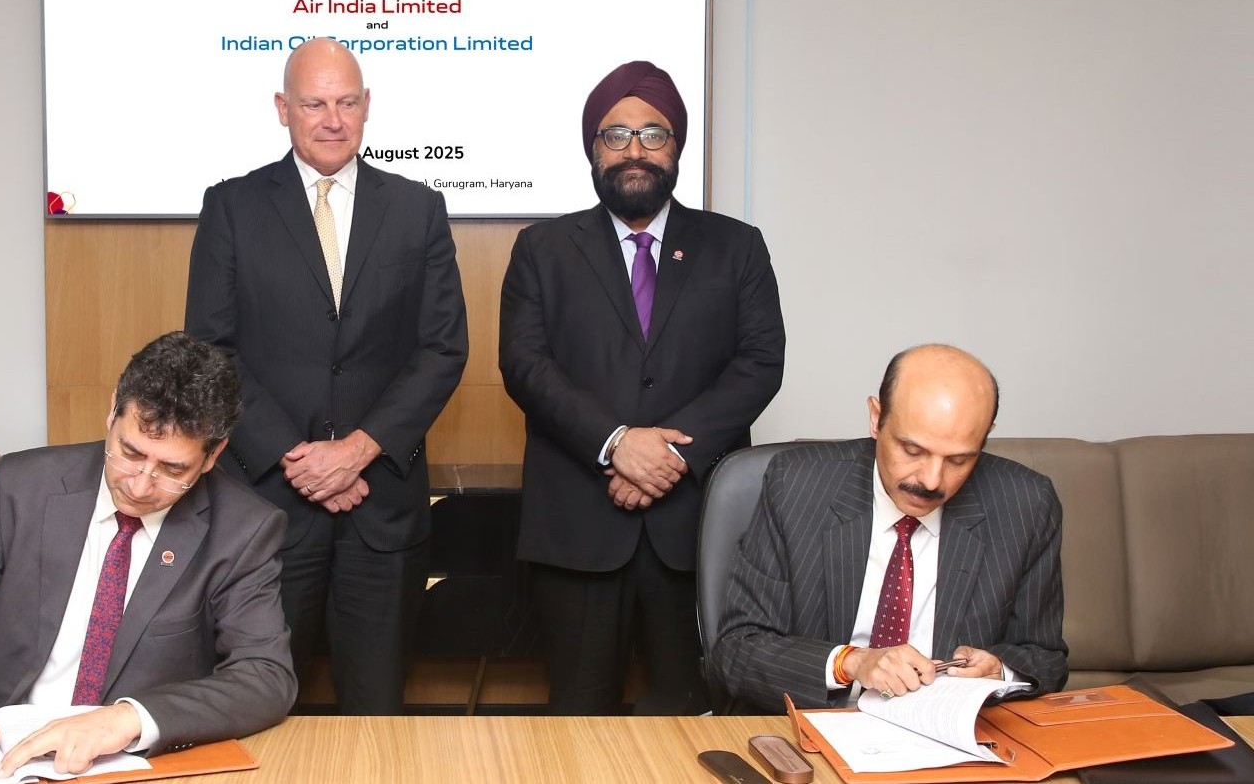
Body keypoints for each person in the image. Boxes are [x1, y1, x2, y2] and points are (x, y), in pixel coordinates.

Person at [185, 38, 468, 714]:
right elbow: (212, 350)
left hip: (382, 508)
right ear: (283, 108)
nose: (332, 120)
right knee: (254, 707)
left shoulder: (417, 208)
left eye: (346, 102)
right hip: (267, 509)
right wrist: (300, 458)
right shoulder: (232, 207)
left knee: (378, 712)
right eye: (314, 104)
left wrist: (356, 451)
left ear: (367, 106)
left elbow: (442, 348)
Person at [498, 60, 786, 715]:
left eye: (653, 134)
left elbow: (760, 362)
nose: (635, 150)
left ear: (676, 146)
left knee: (696, 718)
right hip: (578, 525)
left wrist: (669, 455)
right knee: (577, 724)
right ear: (592, 149)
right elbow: (524, 363)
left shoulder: (736, 246)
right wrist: (616, 443)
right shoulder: (542, 248)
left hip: (696, 529)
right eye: (616, 134)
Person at [0, 333, 295, 776]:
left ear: (212, 455)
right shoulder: (23, 487)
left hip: (124, 762)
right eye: (130, 452)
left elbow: (265, 675)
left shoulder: (242, 529)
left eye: (172, 469)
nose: (140, 485)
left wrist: (127, 719)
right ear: (112, 411)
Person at [715, 344, 1069, 713]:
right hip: (818, 722)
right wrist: (852, 662)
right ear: (876, 417)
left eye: (959, 460)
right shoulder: (796, 485)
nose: (931, 481)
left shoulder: (1027, 504)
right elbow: (738, 650)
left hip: (943, 731)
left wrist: (1000, 672)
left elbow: (1045, 658)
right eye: (912, 451)